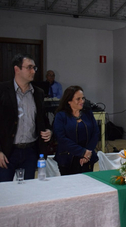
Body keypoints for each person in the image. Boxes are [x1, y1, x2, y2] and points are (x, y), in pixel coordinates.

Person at [0, 53, 52, 182]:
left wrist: (49, 131)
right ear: (17, 69)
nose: (33, 71)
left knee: (27, 190)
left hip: (30, 151)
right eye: (29, 67)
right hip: (7, 151)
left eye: (34, 68)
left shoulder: (38, 93)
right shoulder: (2, 90)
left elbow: (43, 120)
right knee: (5, 192)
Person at [53, 86, 99, 175]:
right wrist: (82, 152)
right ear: (69, 101)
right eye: (78, 99)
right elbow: (61, 138)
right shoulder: (61, 116)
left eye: (83, 98)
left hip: (87, 158)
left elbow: (95, 133)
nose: (82, 101)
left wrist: (87, 153)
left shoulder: (88, 113)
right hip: (68, 158)